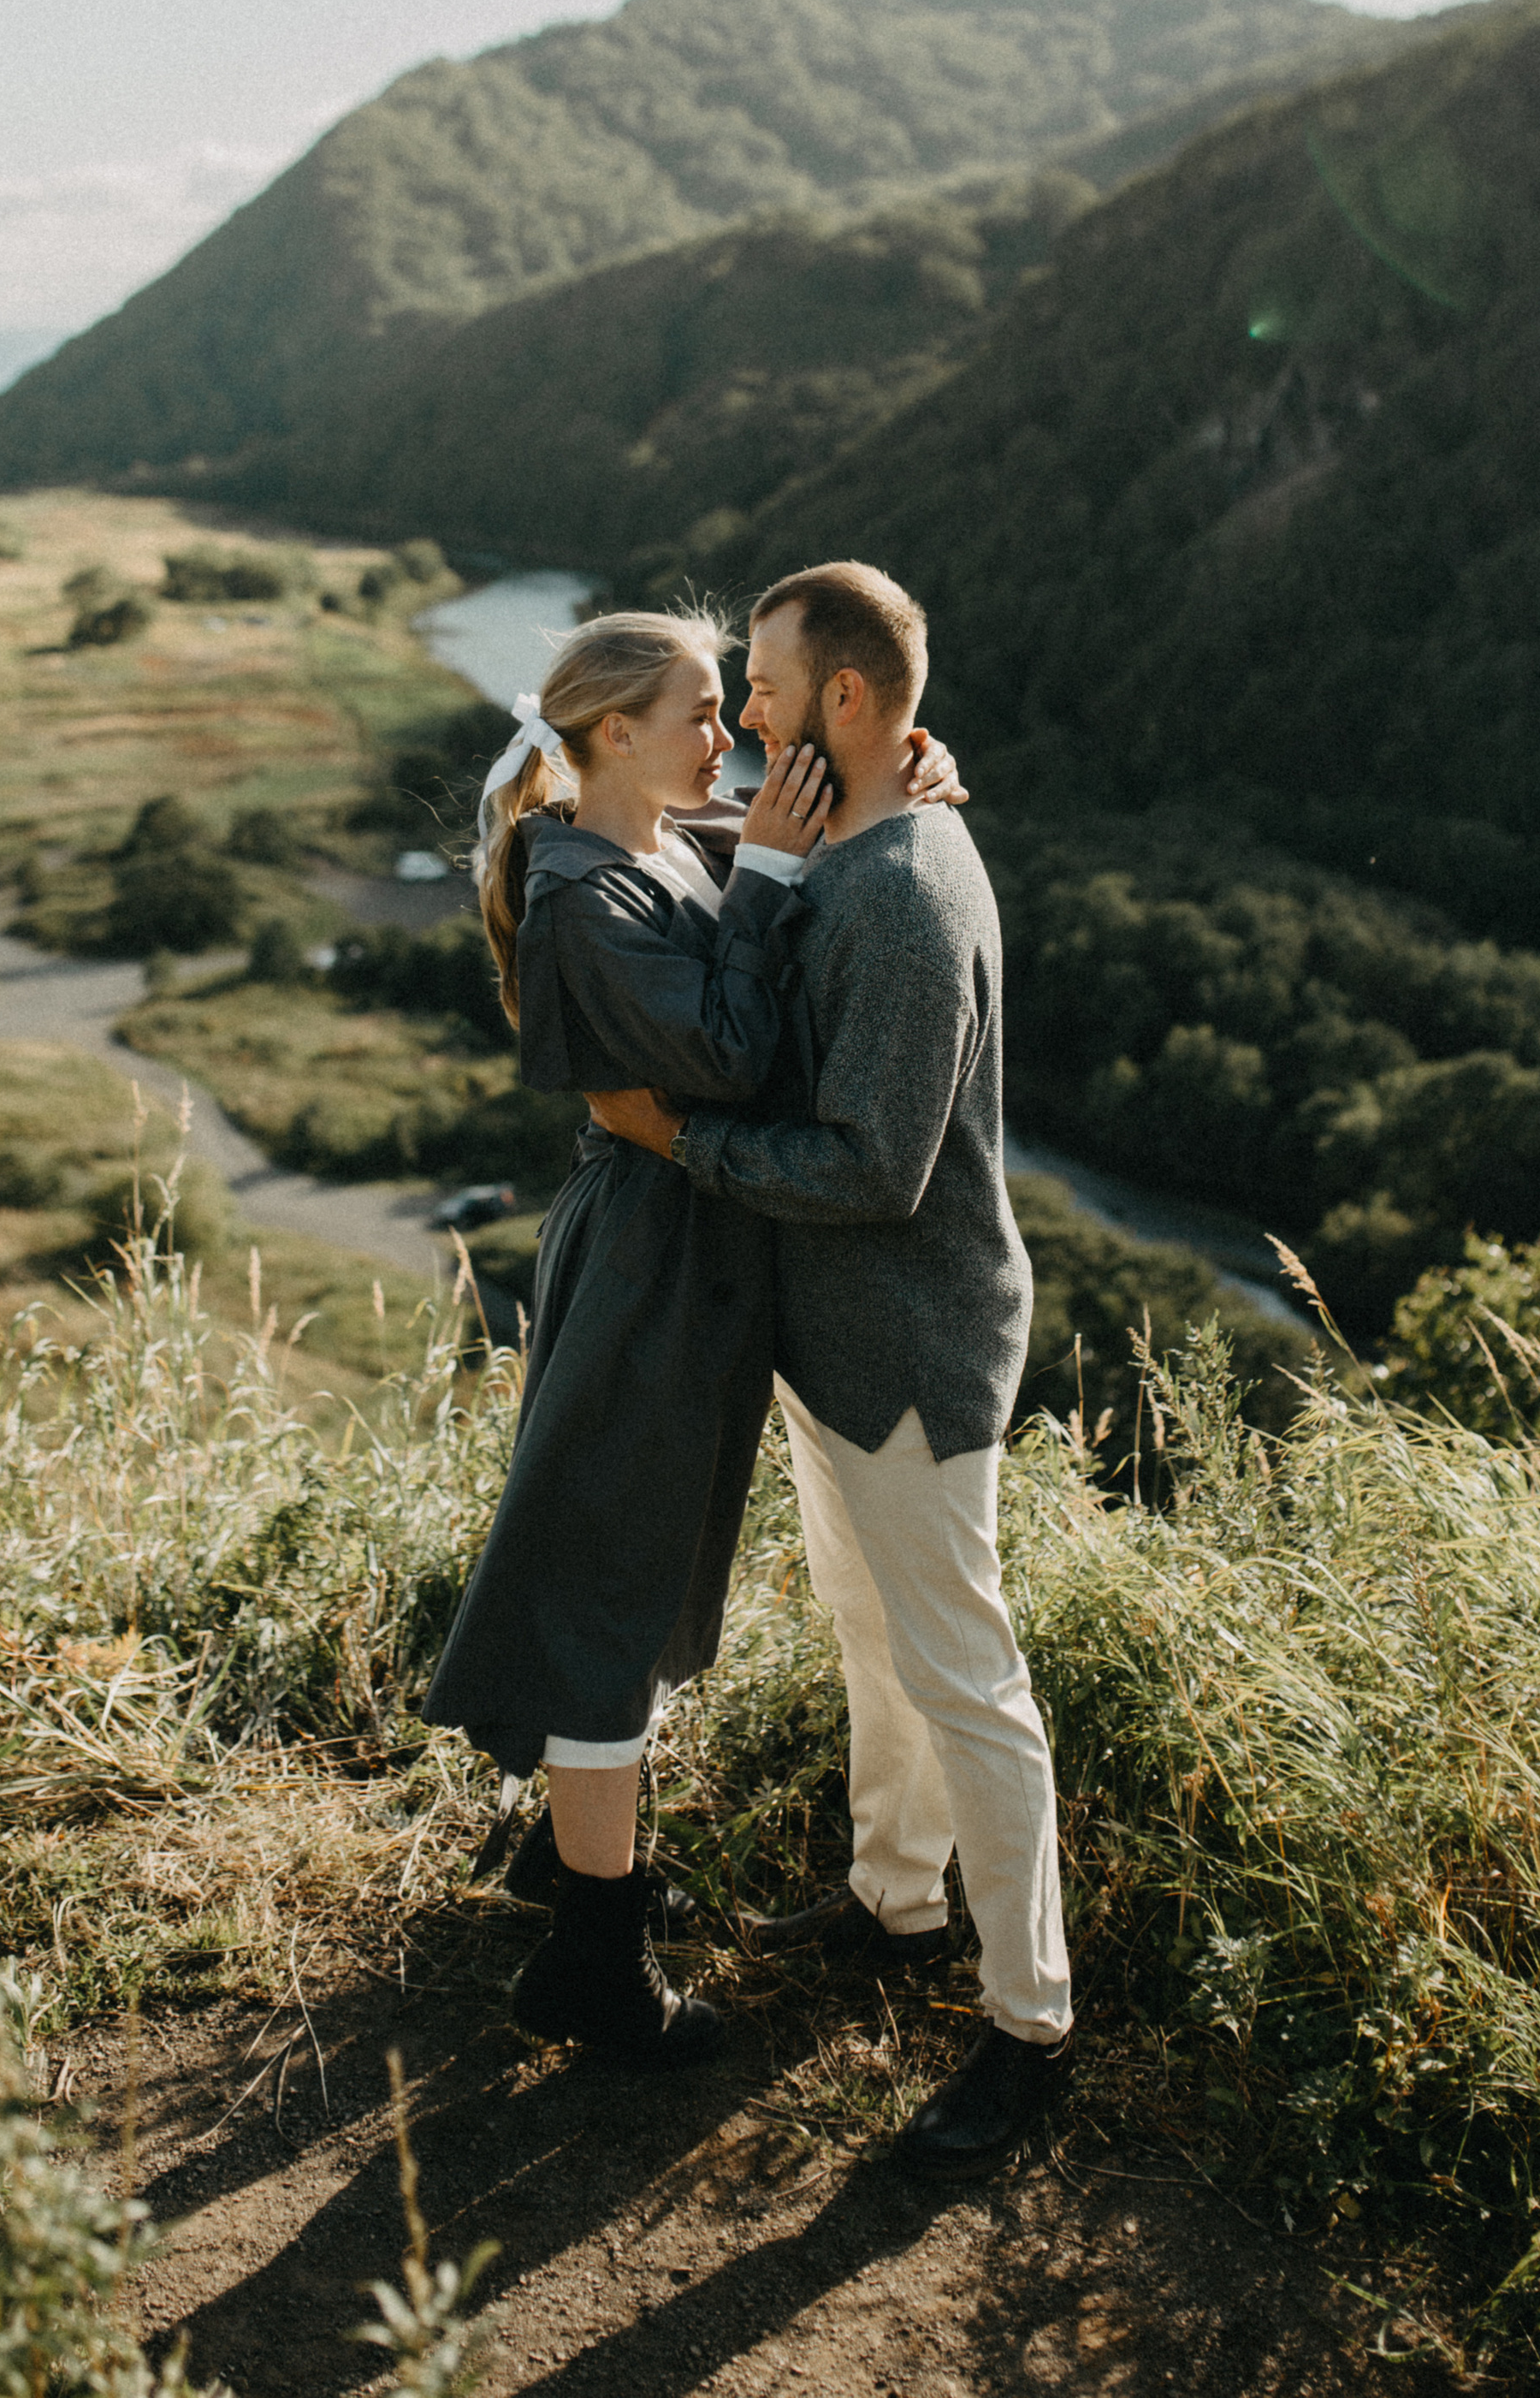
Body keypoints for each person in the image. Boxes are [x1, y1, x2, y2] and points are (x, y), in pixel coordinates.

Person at [424, 605, 960, 2071]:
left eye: (735, 707)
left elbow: (811, 837)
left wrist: (908, 776)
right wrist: (775, 869)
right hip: (652, 1262)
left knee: (638, 1561)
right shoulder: (584, 897)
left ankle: (573, 1865)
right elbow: (725, 1052)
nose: (734, 738)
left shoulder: (664, 837)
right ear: (615, 733)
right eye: (703, 713)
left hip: (690, 1252)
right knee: (612, 1583)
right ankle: (596, 1959)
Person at [589, 561, 1074, 2179]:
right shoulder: (847, 838)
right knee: (879, 1643)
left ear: (846, 702)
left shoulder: (908, 893)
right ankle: (897, 1900)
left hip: (914, 1354)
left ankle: (1031, 2028)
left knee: (970, 1686)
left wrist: (680, 1138)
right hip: (840, 1346)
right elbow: (724, 848)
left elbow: (875, 1167)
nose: (742, 715)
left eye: (769, 688)